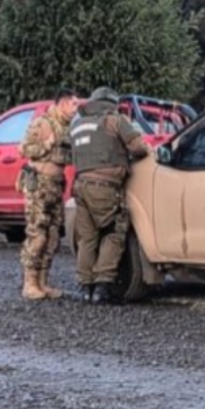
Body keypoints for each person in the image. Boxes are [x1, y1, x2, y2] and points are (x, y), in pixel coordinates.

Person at [71, 87, 150, 304]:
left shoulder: (78, 125)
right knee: (114, 232)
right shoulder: (116, 120)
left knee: (87, 238)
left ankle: (85, 287)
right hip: (105, 187)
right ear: (112, 103)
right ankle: (102, 287)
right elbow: (139, 148)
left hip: (80, 186)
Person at [17, 88, 78, 301]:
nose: (76, 109)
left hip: (56, 186)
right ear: (62, 104)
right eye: (73, 104)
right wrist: (46, 145)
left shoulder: (67, 127)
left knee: (52, 236)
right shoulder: (42, 123)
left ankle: (43, 282)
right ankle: (30, 283)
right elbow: (23, 149)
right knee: (38, 235)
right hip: (39, 186)